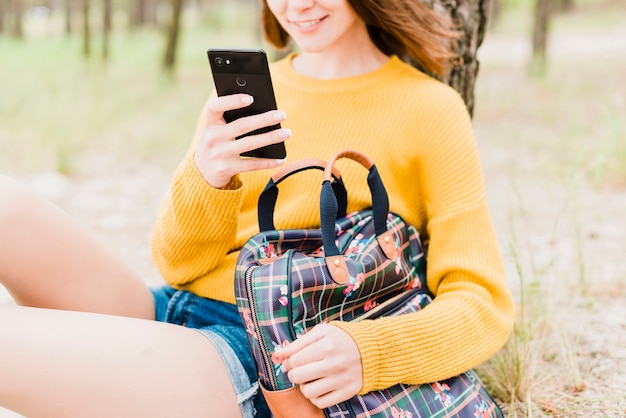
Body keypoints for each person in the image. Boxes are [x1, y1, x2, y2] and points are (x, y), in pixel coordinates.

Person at [0, 0, 515, 416]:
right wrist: (208, 175)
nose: (298, 5)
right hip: (180, 309)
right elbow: (178, 264)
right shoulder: (254, 92)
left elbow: (481, 301)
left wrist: (369, 352)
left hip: (275, 358)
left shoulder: (429, 108)